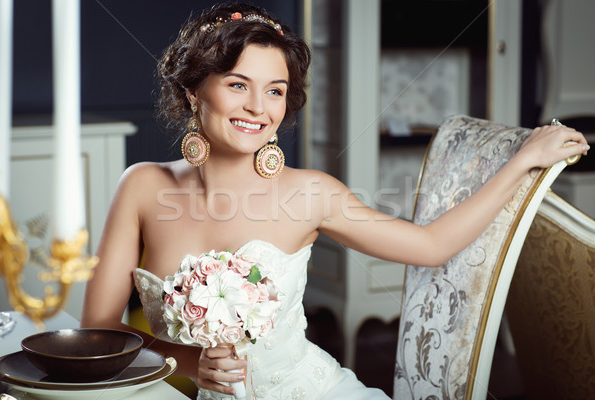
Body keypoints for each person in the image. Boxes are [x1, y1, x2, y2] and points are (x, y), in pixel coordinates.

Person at [80, 2, 590, 399]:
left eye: (275, 90)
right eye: (238, 85)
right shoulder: (143, 187)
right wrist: (188, 363)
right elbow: (100, 330)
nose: (259, 107)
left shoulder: (311, 193)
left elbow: (431, 246)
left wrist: (520, 162)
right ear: (195, 92)